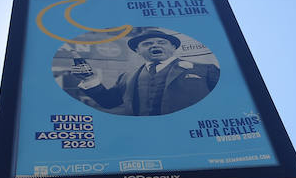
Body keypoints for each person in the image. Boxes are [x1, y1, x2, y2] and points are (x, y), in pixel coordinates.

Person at [61, 28, 219, 116]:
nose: (155, 46)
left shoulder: (205, 69)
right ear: (138, 50)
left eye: (162, 42)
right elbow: (109, 102)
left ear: (173, 47)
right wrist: (91, 80)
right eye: (147, 43)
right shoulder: (127, 76)